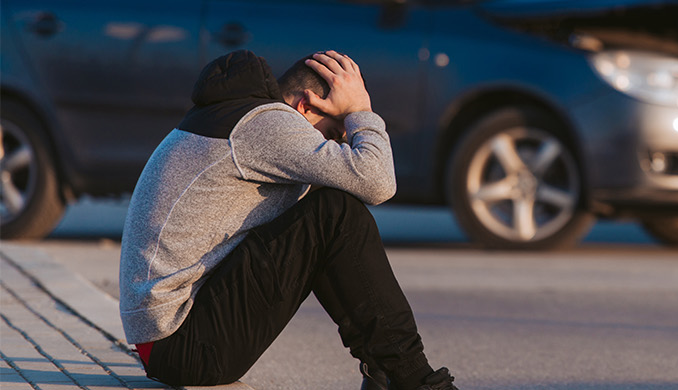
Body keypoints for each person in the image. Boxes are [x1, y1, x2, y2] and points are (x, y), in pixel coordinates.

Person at [119, 49, 458, 390]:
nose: (336, 144)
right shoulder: (267, 124)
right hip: (185, 346)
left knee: (329, 205)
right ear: (306, 106)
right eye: (335, 133)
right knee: (335, 213)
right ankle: (412, 378)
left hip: (171, 340)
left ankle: (385, 373)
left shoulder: (238, 118)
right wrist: (361, 112)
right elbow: (378, 182)